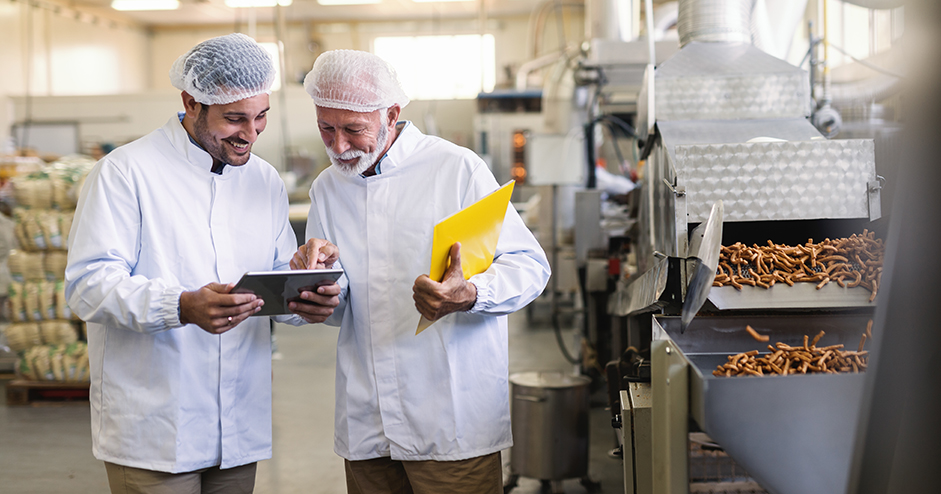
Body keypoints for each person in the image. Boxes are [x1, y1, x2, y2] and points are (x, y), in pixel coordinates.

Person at [64, 33, 339, 494]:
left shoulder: (263, 180)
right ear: (192, 103)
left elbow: (270, 281)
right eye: (235, 119)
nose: (250, 134)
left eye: (261, 117)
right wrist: (180, 305)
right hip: (155, 428)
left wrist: (305, 290)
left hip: (239, 424)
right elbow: (88, 285)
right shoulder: (126, 173)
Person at [289, 49, 551, 494]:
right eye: (325, 129)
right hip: (367, 420)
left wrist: (469, 294)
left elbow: (530, 266)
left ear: (391, 114)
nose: (338, 146)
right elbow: (340, 304)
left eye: (353, 129)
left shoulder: (455, 169)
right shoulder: (329, 188)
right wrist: (316, 292)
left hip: (449, 420)